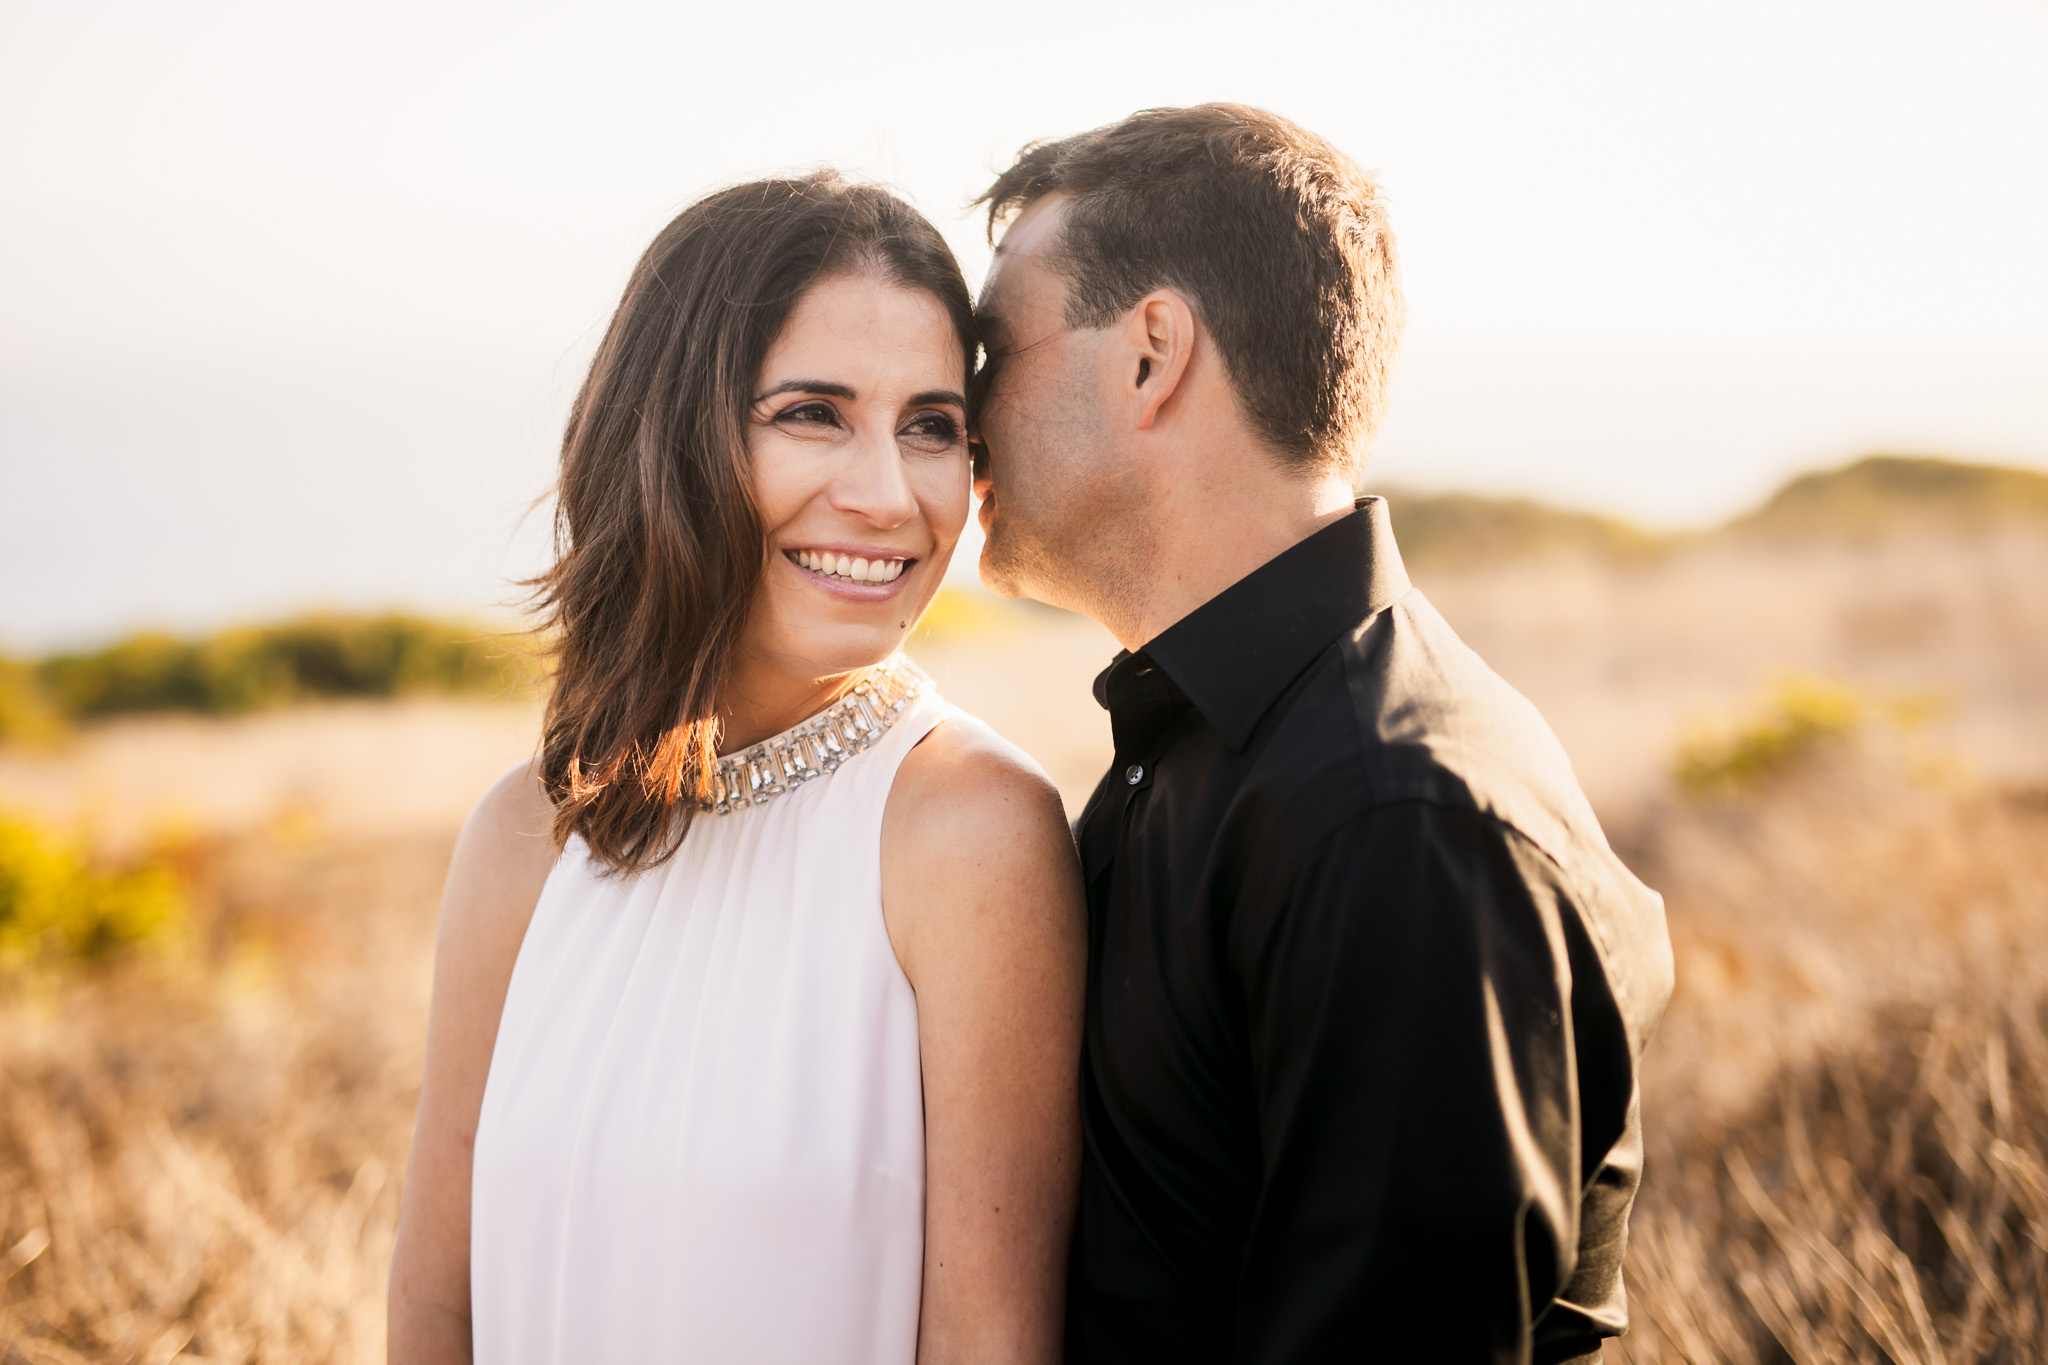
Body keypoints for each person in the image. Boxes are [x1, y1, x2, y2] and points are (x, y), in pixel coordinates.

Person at [971, 104, 1676, 1364]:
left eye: (990, 354)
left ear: (1149, 356)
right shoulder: (1206, 747)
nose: (960, 416)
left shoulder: (1394, 820)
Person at [386, 174, 1086, 1364]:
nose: (887, 496)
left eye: (930, 426)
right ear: (669, 431)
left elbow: (989, 1342)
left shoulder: (969, 832)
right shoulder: (522, 837)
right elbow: (436, 1306)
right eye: (814, 413)